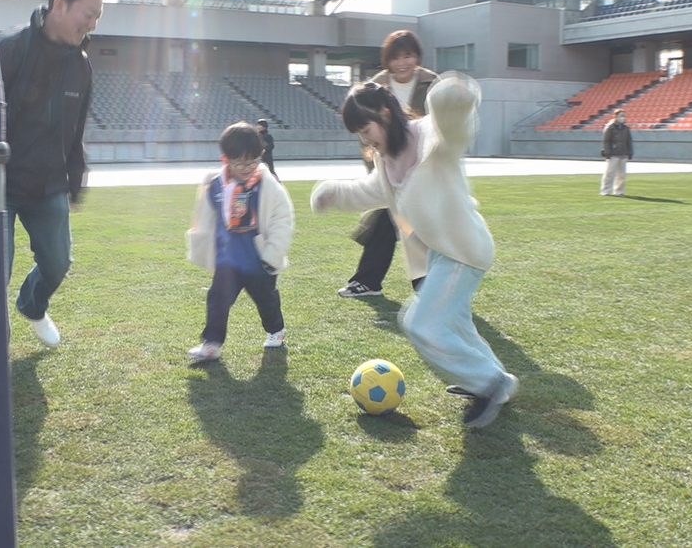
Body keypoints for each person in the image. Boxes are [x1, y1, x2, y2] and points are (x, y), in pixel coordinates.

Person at [311, 75, 518, 428]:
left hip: (463, 249)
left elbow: (454, 129)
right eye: (359, 134)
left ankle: (490, 383)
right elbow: (369, 192)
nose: (365, 140)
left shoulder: (429, 136)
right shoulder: (387, 159)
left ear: (385, 113)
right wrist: (333, 192)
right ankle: (494, 379)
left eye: (366, 129)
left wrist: (452, 99)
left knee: (419, 322)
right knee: (456, 324)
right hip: (442, 252)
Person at [0, 0, 109, 348]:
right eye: (89, 14)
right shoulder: (8, 50)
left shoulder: (81, 66)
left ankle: (33, 304)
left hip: (49, 185)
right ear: (60, 5)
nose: (93, 24)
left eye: (97, 17)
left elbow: (76, 130)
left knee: (58, 264)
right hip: (0, 185)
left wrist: (75, 182)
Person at [338, 30, 437, 298]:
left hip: (422, 172)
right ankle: (415, 286)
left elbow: (439, 130)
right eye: (396, 57)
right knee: (395, 221)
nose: (402, 62)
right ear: (387, 60)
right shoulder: (374, 88)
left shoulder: (431, 85)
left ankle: (376, 282)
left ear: (417, 57)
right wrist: (378, 171)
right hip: (390, 169)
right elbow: (366, 135)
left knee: (409, 226)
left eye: (408, 55)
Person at [185, 122, 294, 362]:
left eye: (253, 161)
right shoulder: (214, 185)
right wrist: (202, 245)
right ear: (226, 160)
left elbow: (282, 218)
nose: (247, 168)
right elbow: (205, 217)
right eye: (240, 163)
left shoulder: (267, 184)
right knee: (217, 300)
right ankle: (212, 343)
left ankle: (276, 330)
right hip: (229, 260)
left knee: (266, 300)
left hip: (259, 260)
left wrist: (273, 253)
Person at [600, 109, 632, 196]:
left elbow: (628, 141)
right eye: (621, 116)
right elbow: (606, 141)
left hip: (623, 153)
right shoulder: (610, 127)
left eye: (624, 116)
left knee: (621, 174)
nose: (623, 118)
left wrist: (629, 152)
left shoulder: (625, 128)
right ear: (616, 116)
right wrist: (607, 152)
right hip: (613, 153)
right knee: (609, 173)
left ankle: (618, 191)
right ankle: (605, 190)